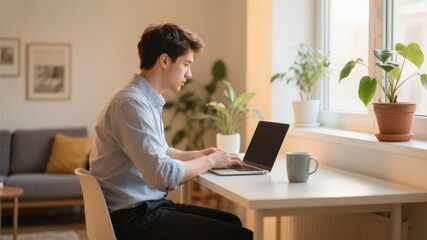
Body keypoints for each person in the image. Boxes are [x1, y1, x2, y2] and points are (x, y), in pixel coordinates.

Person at [89, 22, 253, 240]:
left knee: (231, 223)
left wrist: (200, 155)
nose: (190, 74)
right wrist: (211, 162)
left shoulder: (142, 100)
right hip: (132, 218)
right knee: (237, 235)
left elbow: (160, 152)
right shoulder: (131, 104)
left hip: (142, 209)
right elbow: (162, 176)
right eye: (186, 64)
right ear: (164, 60)